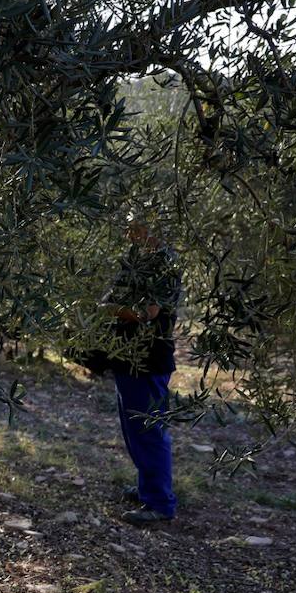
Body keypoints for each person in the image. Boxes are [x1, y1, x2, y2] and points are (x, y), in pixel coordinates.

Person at [101, 216, 182, 525]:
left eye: (133, 226)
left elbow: (148, 313)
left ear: (152, 229)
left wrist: (109, 308)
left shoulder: (164, 264)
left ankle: (160, 502)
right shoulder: (140, 259)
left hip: (148, 357)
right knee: (135, 429)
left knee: (149, 429)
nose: (127, 232)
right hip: (128, 355)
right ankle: (147, 489)